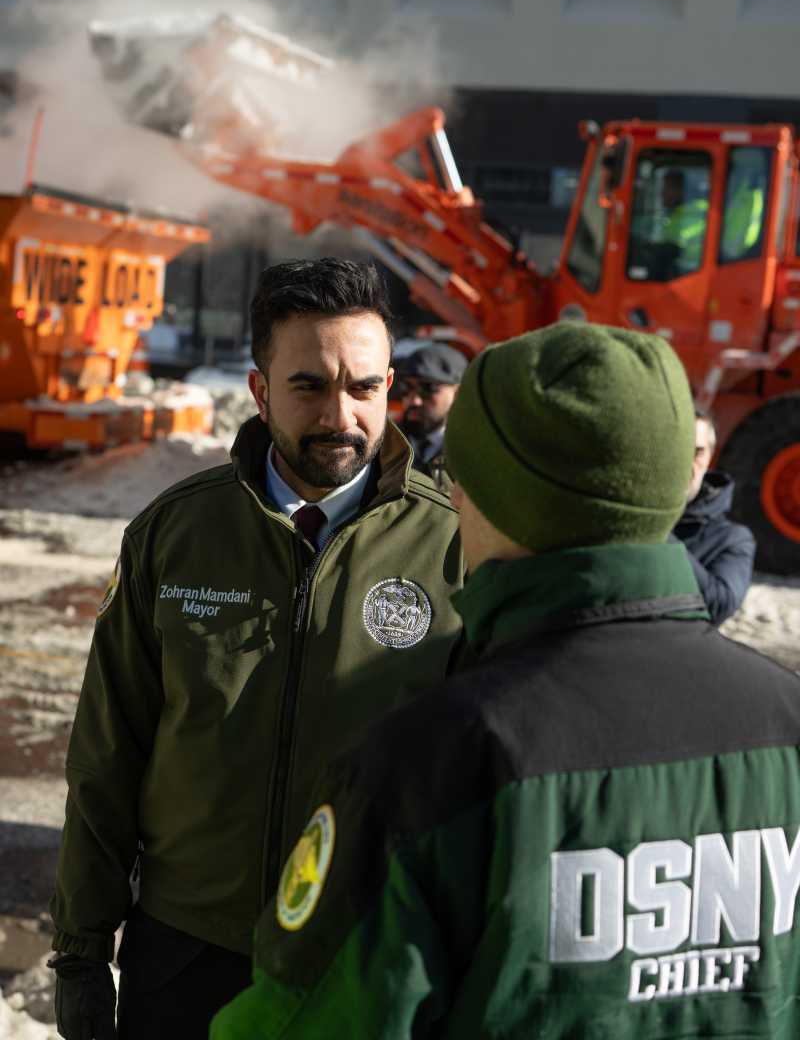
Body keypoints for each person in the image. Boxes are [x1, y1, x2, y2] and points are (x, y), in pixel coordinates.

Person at [213, 321, 800, 1040]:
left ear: (495, 497)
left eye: (461, 480)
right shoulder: (787, 720)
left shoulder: (431, 764)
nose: (453, 500)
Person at [48, 258, 464, 1040]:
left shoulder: (454, 547)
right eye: (309, 386)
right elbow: (106, 754)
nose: (340, 415)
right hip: (186, 954)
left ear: (389, 388)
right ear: (260, 391)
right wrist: (80, 949)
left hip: (369, 961)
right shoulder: (174, 535)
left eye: (364, 388)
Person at [672, 409, 756, 625]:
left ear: (710, 458)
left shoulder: (732, 539)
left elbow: (720, 605)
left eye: (697, 452)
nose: (685, 463)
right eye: (676, 449)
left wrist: (656, 529)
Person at [395, 341, 467, 489]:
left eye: (428, 388)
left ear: (458, 393)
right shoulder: (386, 442)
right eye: (406, 387)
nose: (415, 400)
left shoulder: (472, 450)